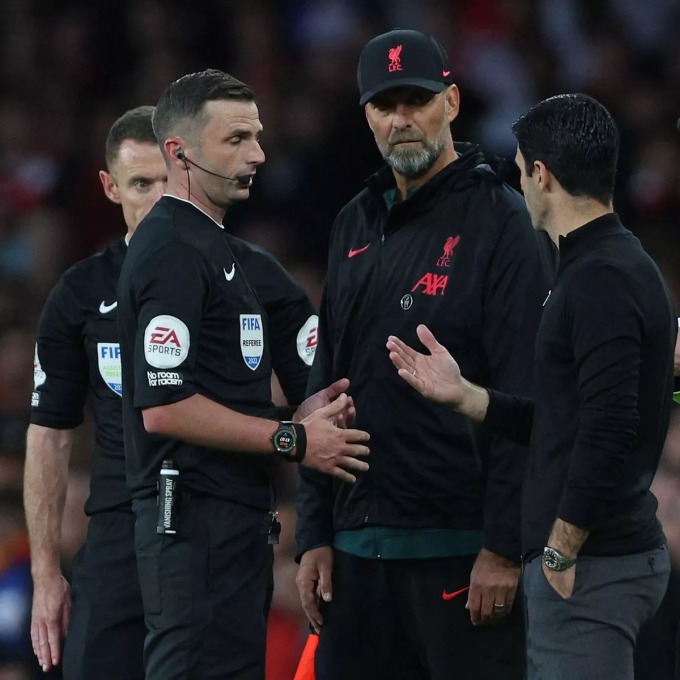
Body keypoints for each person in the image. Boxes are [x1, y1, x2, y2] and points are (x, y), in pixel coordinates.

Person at [24, 105, 323, 679]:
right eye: (140, 185)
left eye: (167, 181)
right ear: (110, 188)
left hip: (221, 525)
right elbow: (51, 434)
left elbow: (319, 403)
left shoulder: (257, 277)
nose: (158, 200)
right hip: (116, 531)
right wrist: (45, 574)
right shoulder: (80, 292)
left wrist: (315, 537)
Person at [386, 93, 676, 680]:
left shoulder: (602, 279)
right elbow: (566, 414)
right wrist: (468, 396)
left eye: (520, 169)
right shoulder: (604, 264)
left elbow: (610, 424)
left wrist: (561, 547)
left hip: (593, 563)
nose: (519, 182)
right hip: (600, 558)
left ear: (541, 174)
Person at [295, 29, 552, 680]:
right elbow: (325, 385)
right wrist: (316, 532)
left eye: (417, 100)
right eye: (386, 105)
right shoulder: (354, 220)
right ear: (367, 117)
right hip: (355, 550)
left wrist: (503, 545)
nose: (402, 119)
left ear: (453, 102)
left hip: (459, 549)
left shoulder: (502, 221)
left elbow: (528, 395)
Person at [116, 69, 370, 680]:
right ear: (179, 152)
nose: (256, 154)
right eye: (235, 140)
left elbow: (306, 373)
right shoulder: (170, 249)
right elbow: (165, 406)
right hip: (192, 523)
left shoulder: (228, 254)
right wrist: (293, 439)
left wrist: (312, 414)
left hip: (231, 524)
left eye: (256, 137)